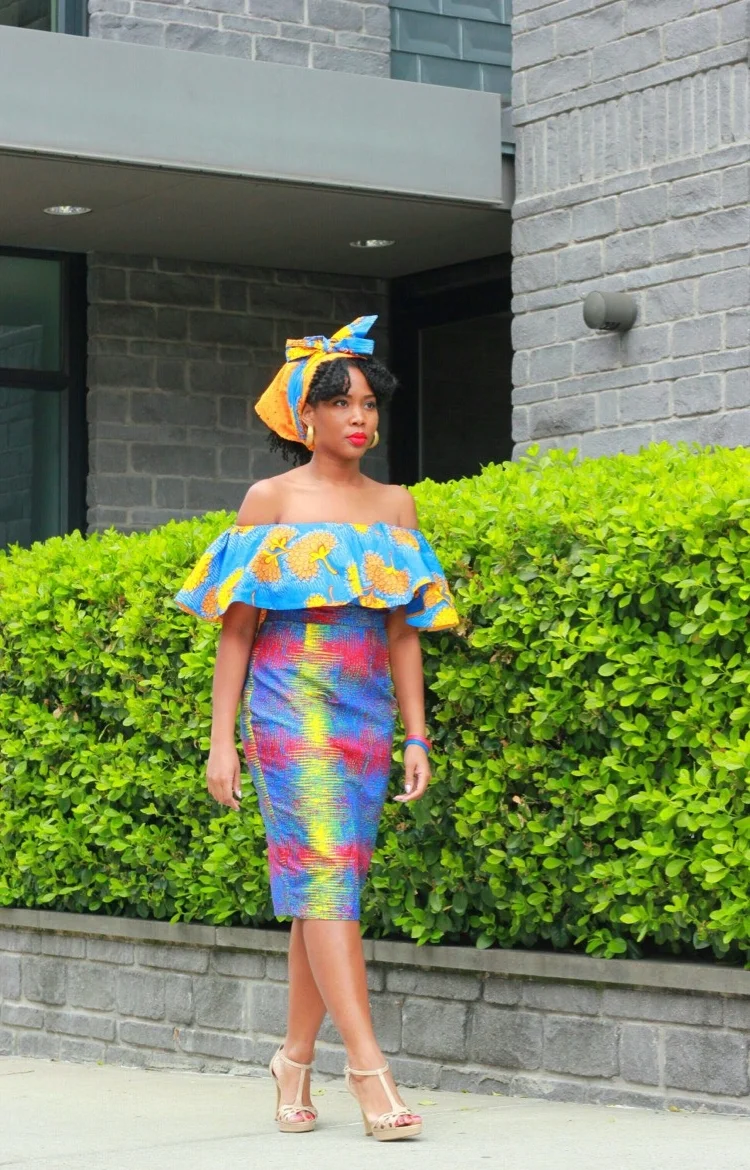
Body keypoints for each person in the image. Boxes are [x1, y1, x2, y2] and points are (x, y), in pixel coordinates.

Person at [174, 315, 458, 1142]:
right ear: (306, 416)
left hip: (366, 707)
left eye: (369, 404)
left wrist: (417, 735)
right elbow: (237, 630)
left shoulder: (396, 505)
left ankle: (293, 1060)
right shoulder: (272, 500)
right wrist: (221, 741)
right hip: (287, 701)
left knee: (324, 886)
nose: (359, 418)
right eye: (341, 404)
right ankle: (370, 1071)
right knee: (328, 878)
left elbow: (404, 632)